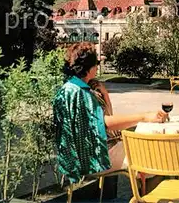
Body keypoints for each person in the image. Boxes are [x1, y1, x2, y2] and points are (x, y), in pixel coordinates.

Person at [53, 42, 168, 184]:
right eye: (96, 64)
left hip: (73, 160)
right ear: (90, 69)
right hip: (92, 159)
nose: (97, 67)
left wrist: (104, 94)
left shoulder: (68, 89)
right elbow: (105, 123)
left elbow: (103, 119)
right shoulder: (82, 93)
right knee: (157, 156)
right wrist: (143, 117)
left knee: (146, 153)